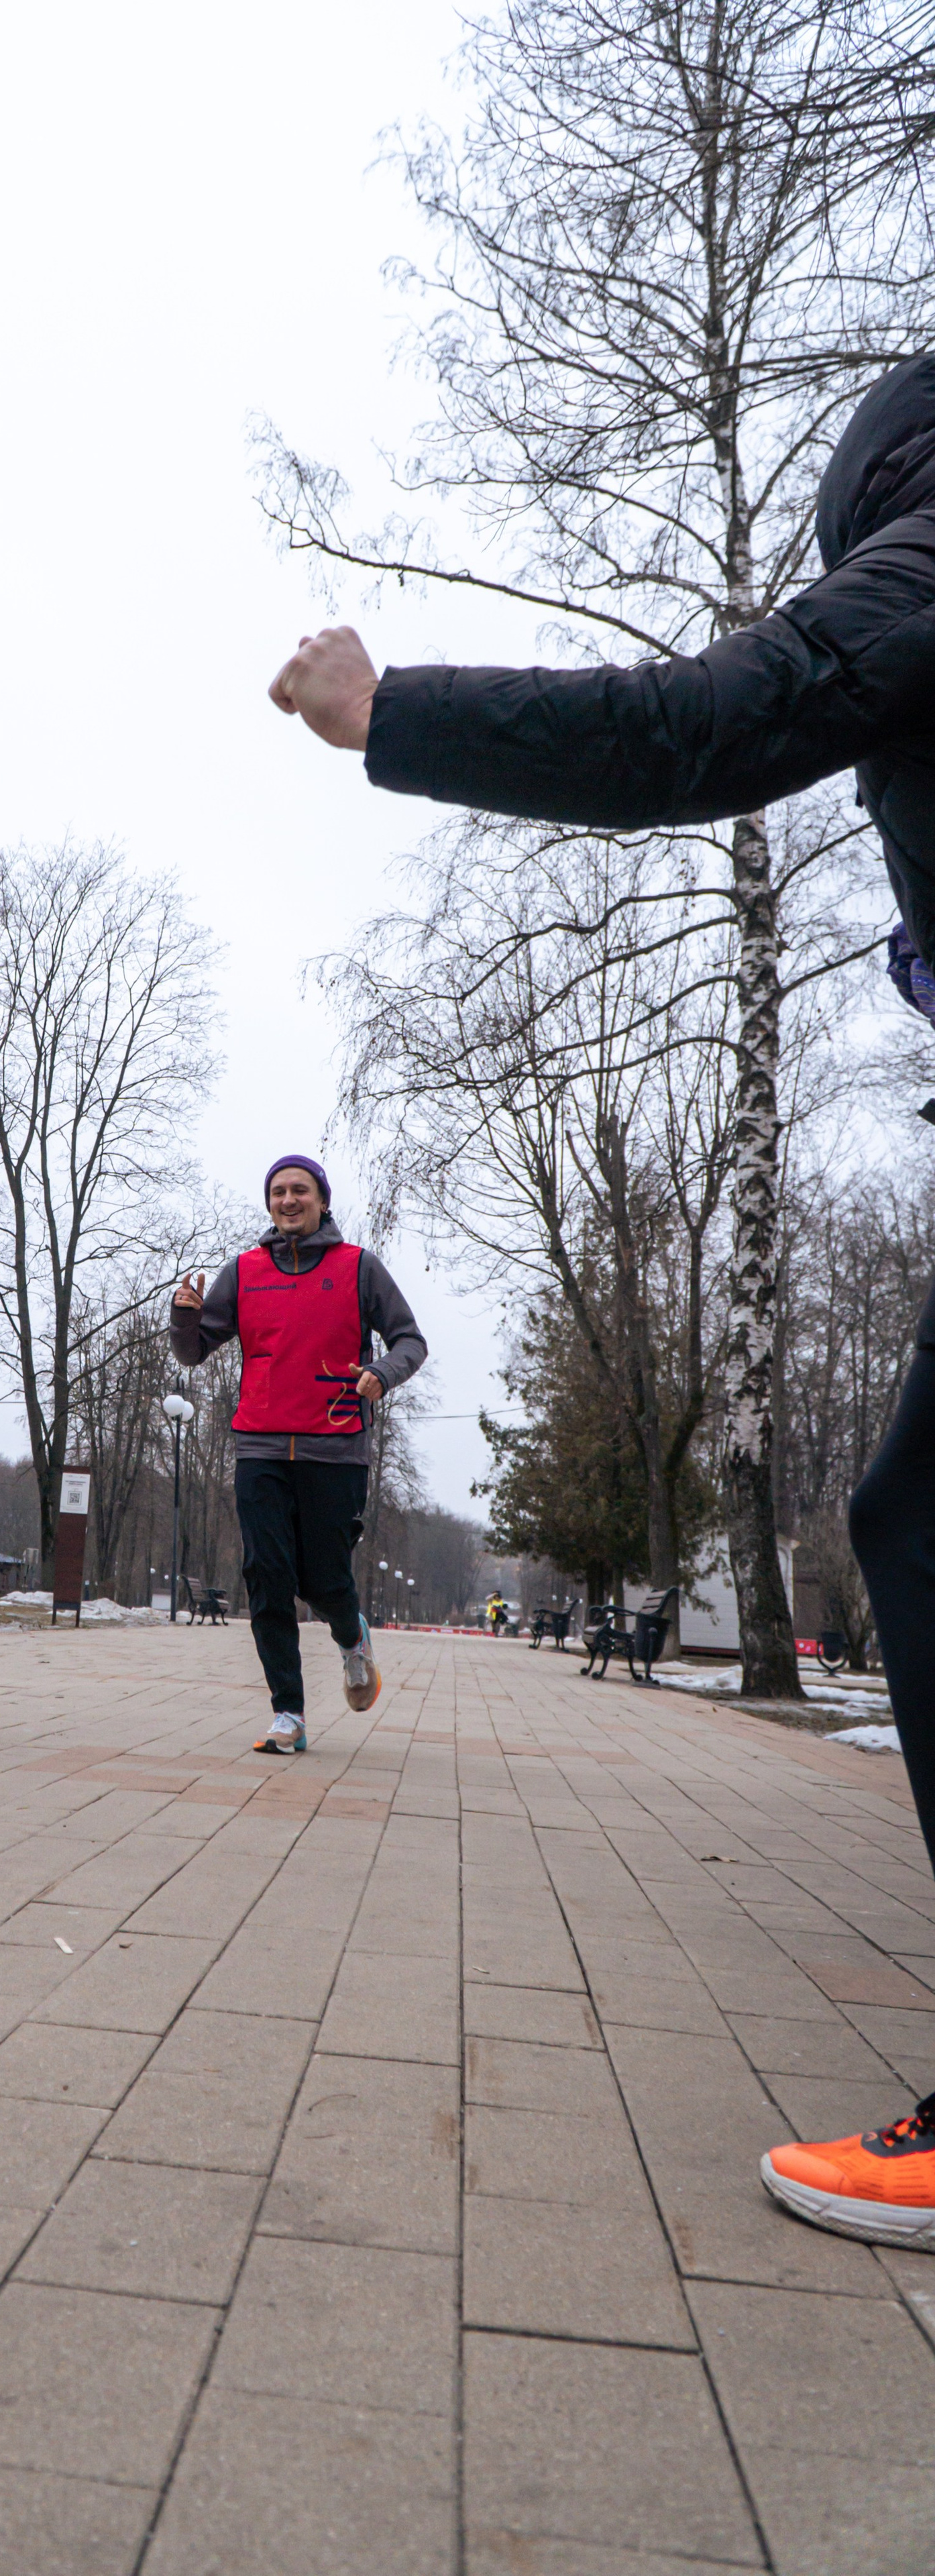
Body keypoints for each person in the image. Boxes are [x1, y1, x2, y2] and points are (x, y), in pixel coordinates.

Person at [269, 350, 935, 2242]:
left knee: (918, 1516)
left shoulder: (924, 552)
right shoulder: (253, 1261)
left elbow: (693, 732)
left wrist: (389, 711)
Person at [171, 1155, 427, 1752]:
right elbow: (193, 1352)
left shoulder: (358, 1267)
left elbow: (410, 1339)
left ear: (322, 1201)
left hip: (334, 1447)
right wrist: (183, 1319)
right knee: (267, 1575)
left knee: (324, 1578)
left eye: (300, 1191)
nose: (289, 1200)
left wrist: (383, 1373)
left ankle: (351, 1636)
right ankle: (289, 1713)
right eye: (279, 1192)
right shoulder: (244, 1271)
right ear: (269, 1204)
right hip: (259, 1444)